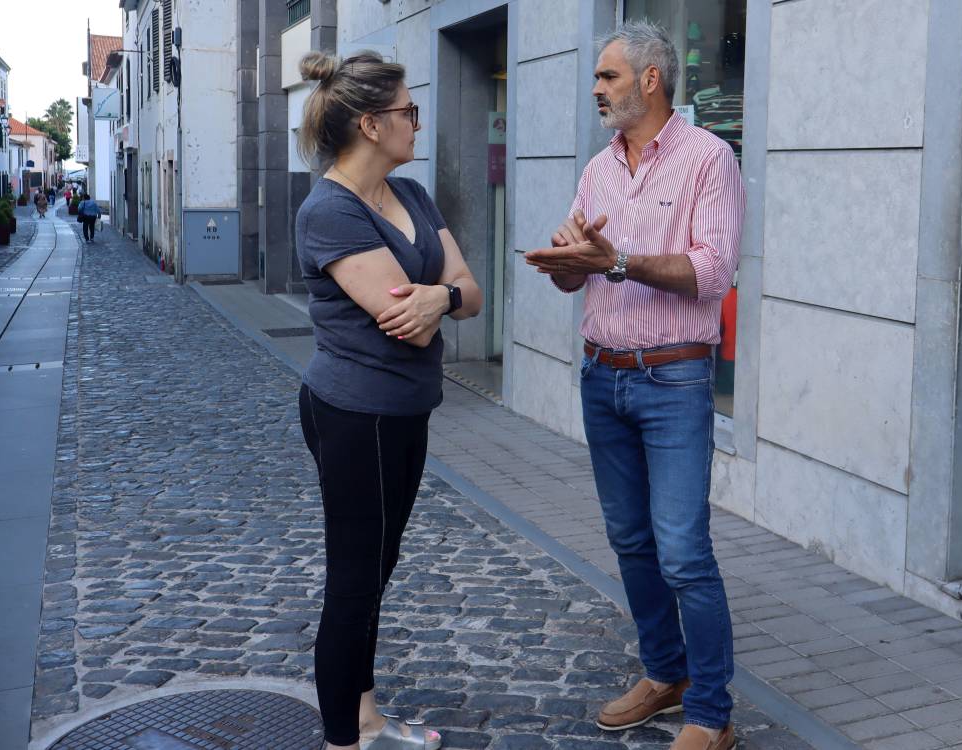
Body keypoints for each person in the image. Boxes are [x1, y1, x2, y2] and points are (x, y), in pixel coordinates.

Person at [525, 20, 744, 750]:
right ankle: (664, 672)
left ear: (650, 79)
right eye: (596, 77)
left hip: (675, 377)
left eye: (608, 76)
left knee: (681, 547)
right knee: (629, 540)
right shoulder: (598, 169)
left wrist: (617, 260)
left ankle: (710, 714)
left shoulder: (709, 159)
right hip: (602, 376)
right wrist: (564, 264)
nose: (596, 88)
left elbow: (711, 271)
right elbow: (581, 265)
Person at [293, 49, 482, 750]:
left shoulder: (414, 197)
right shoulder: (328, 212)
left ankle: (367, 717)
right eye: (408, 111)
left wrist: (444, 295)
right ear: (372, 125)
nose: (417, 122)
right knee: (354, 577)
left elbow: (468, 293)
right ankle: (344, 738)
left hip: (406, 410)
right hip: (354, 414)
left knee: (379, 568)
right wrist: (440, 295)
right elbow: (397, 314)